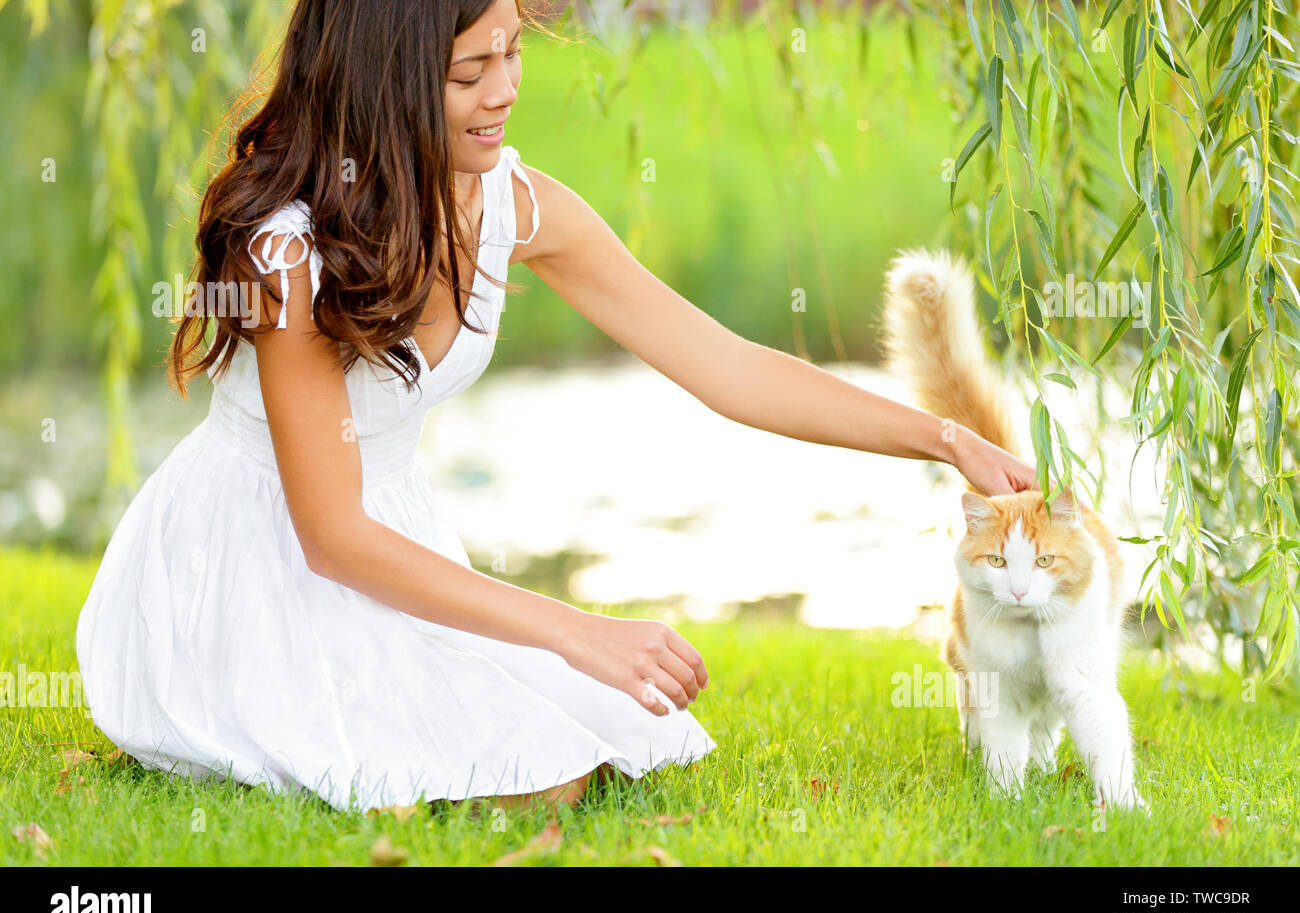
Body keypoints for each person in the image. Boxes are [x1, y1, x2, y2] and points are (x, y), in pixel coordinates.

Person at [75, 0, 1037, 816]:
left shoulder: (514, 205)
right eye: (470, 72)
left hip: (398, 542)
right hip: (257, 553)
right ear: (386, 81)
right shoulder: (291, 254)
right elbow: (331, 534)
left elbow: (728, 366)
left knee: (613, 740)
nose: (503, 90)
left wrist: (943, 437)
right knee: (525, 773)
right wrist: (580, 629)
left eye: (513, 54)